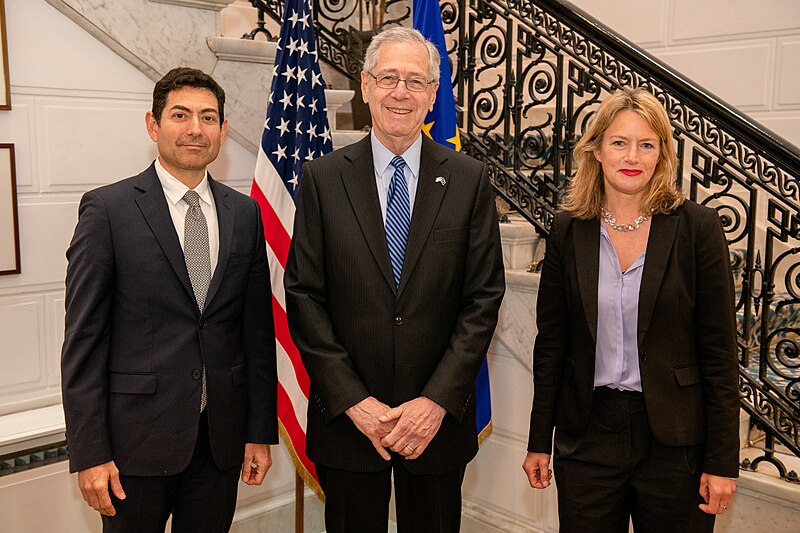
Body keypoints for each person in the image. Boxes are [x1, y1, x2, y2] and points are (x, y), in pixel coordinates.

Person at [284, 26, 505, 533]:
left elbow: (483, 298)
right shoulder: (322, 178)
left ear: (432, 95)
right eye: (388, 78)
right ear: (364, 87)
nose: (400, 93)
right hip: (350, 422)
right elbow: (304, 296)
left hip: (436, 425)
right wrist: (356, 403)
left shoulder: (469, 179)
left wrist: (433, 403)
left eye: (414, 81)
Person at [61, 67, 278, 532]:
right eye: (180, 115)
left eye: (208, 117)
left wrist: (260, 433)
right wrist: (90, 452)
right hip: (133, 447)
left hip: (219, 443)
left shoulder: (245, 213)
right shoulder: (107, 211)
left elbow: (257, 335)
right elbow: (83, 343)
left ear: (222, 130)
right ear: (153, 125)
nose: (195, 128)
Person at [522, 87, 739, 532]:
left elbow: (720, 354)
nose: (632, 156)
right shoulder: (568, 229)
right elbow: (552, 346)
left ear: (662, 154)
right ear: (596, 149)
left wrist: (723, 462)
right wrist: (539, 440)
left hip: (675, 440)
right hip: (588, 435)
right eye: (619, 142)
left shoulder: (697, 228)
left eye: (647, 144)